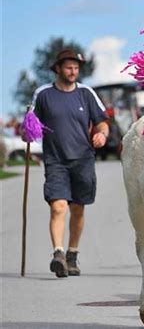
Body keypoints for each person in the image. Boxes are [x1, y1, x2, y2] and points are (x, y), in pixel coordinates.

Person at [22, 49, 109, 278]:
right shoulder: (43, 94)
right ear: (58, 68)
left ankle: (72, 254)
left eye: (76, 68)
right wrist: (27, 131)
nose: (73, 71)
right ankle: (58, 254)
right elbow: (30, 128)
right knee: (58, 206)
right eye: (69, 67)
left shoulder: (86, 93)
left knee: (78, 209)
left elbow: (102, 124)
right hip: (55, 160)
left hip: (83, 159)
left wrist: (102, 135)